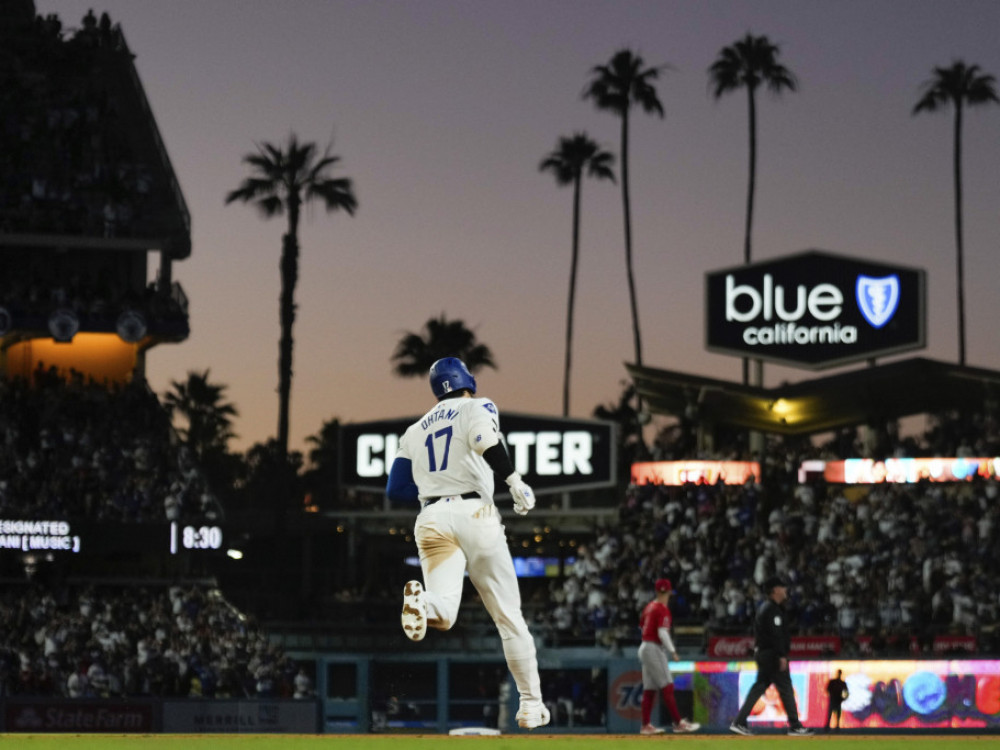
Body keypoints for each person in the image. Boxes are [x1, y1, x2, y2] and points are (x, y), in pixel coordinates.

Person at [386, 357, 549, 730]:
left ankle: (422, 602)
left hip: (430, 518)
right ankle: (530, 705)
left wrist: (434, 491)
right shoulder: (477, 406)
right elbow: (483, 441)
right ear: (465, 380)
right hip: (474, 513)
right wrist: (514, 480)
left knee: (443, 613)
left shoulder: (414, 430)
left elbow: (395, 488)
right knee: (509, 617)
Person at [730, 576, 814, 737]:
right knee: (786, 687)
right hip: (772, 655)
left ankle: (739, 722)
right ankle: (795, 726)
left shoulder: (769, 608)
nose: (785, 590)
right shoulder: (771, 609)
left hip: (765, 653)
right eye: (782, 587)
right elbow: (775, 635)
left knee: (760, 686)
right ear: (775, 590)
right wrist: (781, 655)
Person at [637, 578, 701, 734]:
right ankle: (678, 723)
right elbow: (662, 633)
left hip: (644, 646)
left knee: (650, 688)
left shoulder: (649, 607)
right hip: (653, 647)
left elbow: (642, 627)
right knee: (667, 685)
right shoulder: (662, 609)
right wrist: (672, 650)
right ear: (669, 592)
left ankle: (645, 725)